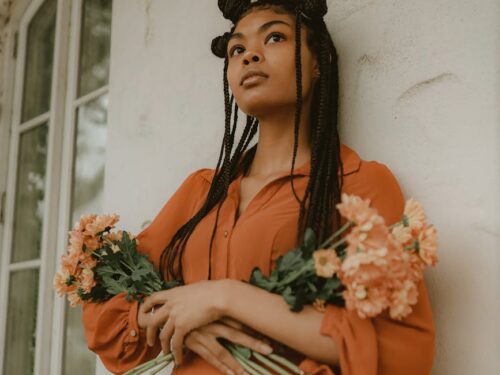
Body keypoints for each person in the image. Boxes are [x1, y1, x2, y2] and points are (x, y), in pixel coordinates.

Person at [82, 1, 436, 374]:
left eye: (275, 37)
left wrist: (223, 296)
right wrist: (179, 321)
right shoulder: (202, 192)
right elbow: (103, 302)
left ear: (318, 64)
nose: (250, 55)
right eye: (238, 48)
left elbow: (400, 351)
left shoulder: (357, 185)